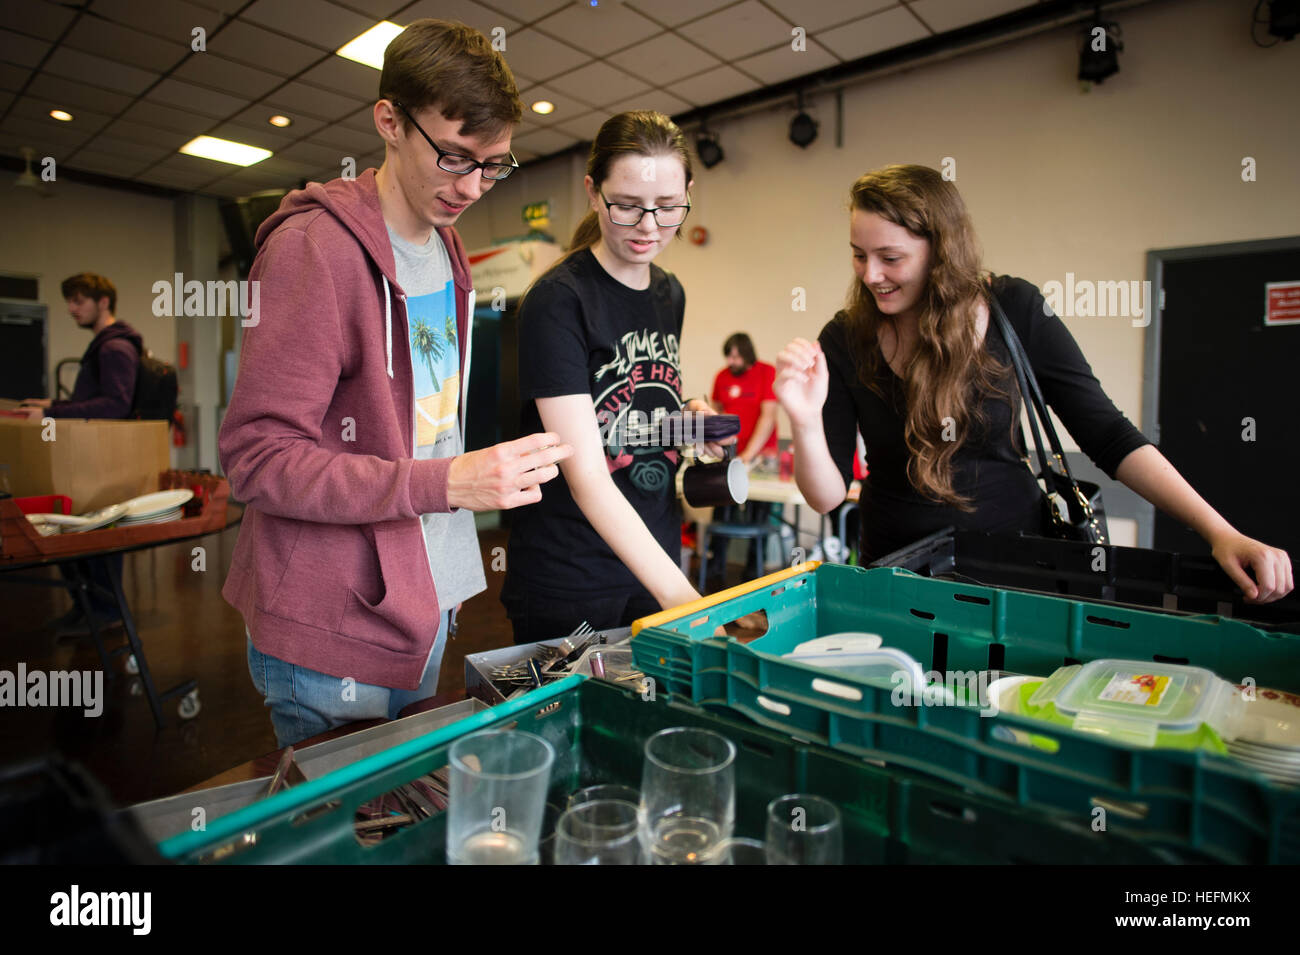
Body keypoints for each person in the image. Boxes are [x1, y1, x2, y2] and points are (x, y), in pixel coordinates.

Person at [218, 19, 570, 747]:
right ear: (388, 121)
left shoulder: (447, 247)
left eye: (494, 164)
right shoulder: (314, 251)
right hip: (328, 622)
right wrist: (444, 484)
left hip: (424, 596)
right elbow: (256, 460)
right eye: (453, 157)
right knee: (340, 835)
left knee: (399, 819)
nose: (472, 186)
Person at [775, 163, 1293, 602]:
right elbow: (825, 497)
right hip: (897, 577)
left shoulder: (1015, 309)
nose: (870, 275)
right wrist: (803, 418)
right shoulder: (846, 337)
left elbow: (1108, 435)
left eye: (891, 258)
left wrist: (1219, 531)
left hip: (1017, 573)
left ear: (941, 252)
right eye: (858, 255)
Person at [500, 111, 730, 645]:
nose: (649, 226)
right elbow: (587, 477)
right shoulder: (559, 301)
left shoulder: (669, 292)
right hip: (571, 574)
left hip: (654, 559)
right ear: (592, 192)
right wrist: (695, 608)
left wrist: (689, 424)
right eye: (626, 206)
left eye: (669, 208)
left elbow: (629, 412)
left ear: (688, 193)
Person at [21, 272, 143, 634]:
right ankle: (87, 608)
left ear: (102, 302)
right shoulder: (105, 344)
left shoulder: (114, 347)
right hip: (91, 458)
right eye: (70, 302)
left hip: (101, 462)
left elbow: (116, 405)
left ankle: (104, 612)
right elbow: (91, 402)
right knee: (75, 537)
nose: (72, 309)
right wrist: (52, 403)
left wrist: (49, 413)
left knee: (95, 537)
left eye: (79, 301)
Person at [704, 332, 779, 585]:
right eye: (729, 355)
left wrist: (749, 454)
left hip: (761, 455)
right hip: (730, 454)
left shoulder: (766, 372)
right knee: (722, 504)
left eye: (736, 355)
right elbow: (715, 412)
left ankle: (753, 573)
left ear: (747, 354)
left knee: (760, 510)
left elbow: (767, 417)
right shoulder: (721, 376)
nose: (731, 361)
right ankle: (715, 568)